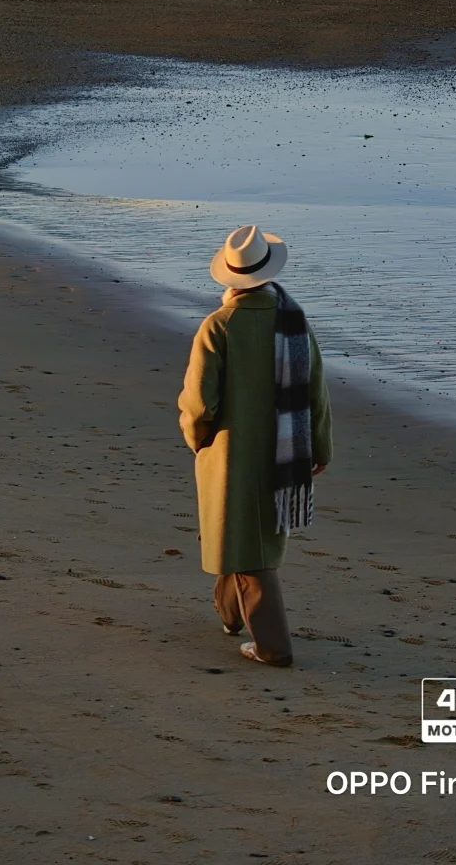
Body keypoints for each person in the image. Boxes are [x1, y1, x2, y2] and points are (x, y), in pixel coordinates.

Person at [179, 225, 332, 666]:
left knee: (247, 544)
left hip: (231, 454)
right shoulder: (294, 320)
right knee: (246, 534)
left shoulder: (219, 325)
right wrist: (319, 448)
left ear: (230, 277)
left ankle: (273, 645)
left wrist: (196, 437)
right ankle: (230, 615)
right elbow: (315, 392)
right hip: (287, 451)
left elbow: (198, 401)